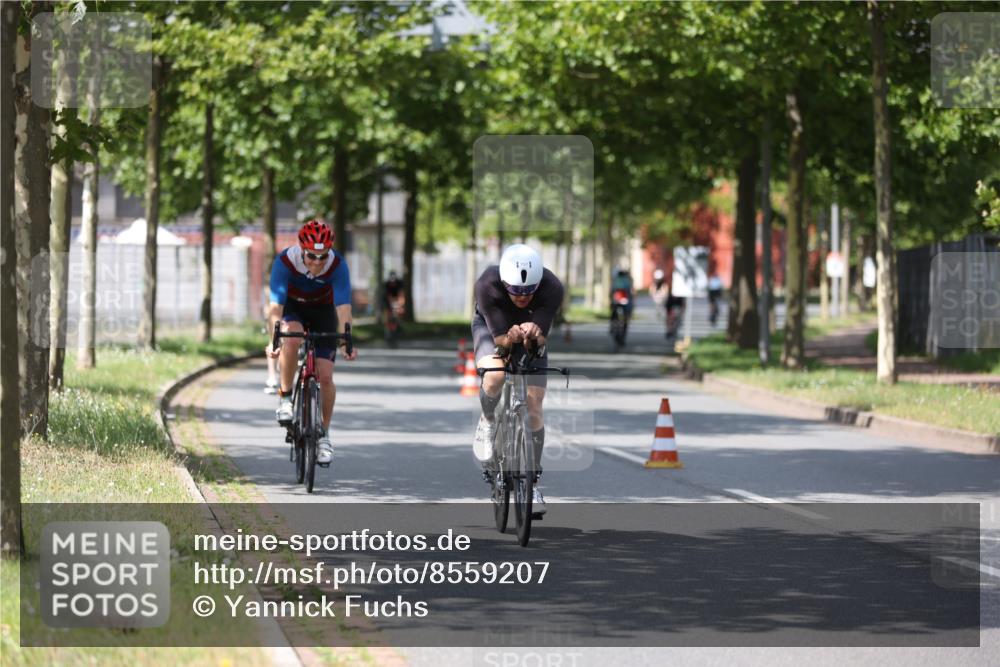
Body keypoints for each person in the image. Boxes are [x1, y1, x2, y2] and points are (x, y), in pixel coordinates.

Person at [471, 244, 564, 516]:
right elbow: (501, 343)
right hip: (493, 330)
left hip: (529, 331)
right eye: (515, 290)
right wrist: (510, 338)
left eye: (528, 291)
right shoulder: (487, 285)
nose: (522, 297)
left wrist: (535, 334)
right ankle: (488, 421)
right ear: (503, 282)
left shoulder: (552, 287)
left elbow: (539, 343)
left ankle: (532, 483)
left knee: (534, 409)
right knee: (496, 375)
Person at [266, 219, 358, 466]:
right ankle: (285, 397)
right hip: (293, 309)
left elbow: (344, 308)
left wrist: (345, 341)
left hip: (323, 312)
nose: (317, 262)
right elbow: (275, 307)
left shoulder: (337, 265)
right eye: (311, 256)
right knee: (292, 336)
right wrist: (273, 340)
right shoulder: (285, 262)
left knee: (326, 376)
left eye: (322, 256)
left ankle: (324, 435)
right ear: (301, 250)